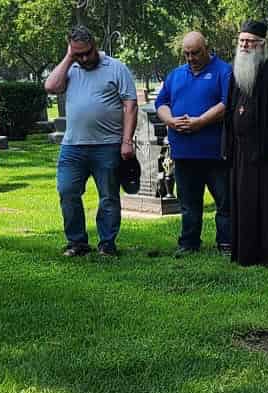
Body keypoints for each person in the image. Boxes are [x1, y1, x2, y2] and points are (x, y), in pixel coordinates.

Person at [45, 26, 136, 259]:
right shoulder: (71, 68)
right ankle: (77, 242)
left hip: (108, 145)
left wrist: (126, 141)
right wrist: (69, 58)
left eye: (87, 53)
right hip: (73, 146)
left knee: (108, 196)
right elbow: (51, 87)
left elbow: (130, 105)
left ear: (94, 45)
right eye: (78, 54)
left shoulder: (116, 68)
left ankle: (107, 243)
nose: (84, 59)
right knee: (67, 191)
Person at [155, 31, 233, 256]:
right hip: (184, 152)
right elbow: (161, 102)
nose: (191, 58)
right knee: (188, 203)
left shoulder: (224, 71)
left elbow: (227, 103)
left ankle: (227, 242)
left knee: (225, 201)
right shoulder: (176, 74)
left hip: (215, 152)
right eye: (187, 54)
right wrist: (170, 120)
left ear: (207, 48)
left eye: (196, 53)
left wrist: (200, 121)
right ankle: (189, 242)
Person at [227, 19, 268, 266]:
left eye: (250, 41)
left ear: (262, 44)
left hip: (267, 151)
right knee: (243, 201)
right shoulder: (235, 72)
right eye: (242, 41)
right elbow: (230, 110)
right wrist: (228, 146)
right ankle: (246, 252)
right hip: (241, 151)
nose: (245, 45)